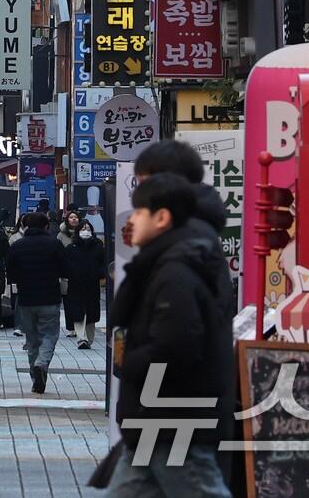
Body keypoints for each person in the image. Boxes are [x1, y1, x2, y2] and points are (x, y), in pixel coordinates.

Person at [106, 173, 231, 497]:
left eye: (138, 213)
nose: (131, 220)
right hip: (156, 420)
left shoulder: (175, 272)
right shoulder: (159, 263)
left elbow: (176, 345)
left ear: (161, 218)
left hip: (173, 420)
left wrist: (131, 363)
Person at [132, 138, 237, 477]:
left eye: (145, 183)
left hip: (178, 407)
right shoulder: (185, 235)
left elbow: (179, 335)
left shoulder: (186, 244)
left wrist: (133, 359)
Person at [4, 211, 69, 394]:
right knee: (49, 335)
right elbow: (65, 269)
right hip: (49, 298)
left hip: (26, 299)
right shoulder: (54, 245)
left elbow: (11, 273)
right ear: (46, 226)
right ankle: (42, 364)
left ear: (26, 226)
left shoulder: (18, 246)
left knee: (32, 341)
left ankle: (36, 377)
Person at [64, 221, 104, 349]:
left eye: (87, 228)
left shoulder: (98, 246)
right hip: (76, 284)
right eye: (83, 229)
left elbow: (103, 263)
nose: (85, 231)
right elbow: (66, 265)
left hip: (92, 283)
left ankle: (89, 338)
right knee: (78, 311)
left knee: (91, 312)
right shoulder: (72, 247)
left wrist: (99, 274)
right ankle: (82, 339)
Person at [57, 209, 83, 336]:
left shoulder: (84, 233)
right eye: (71, 217)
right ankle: (71, 327)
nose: (74, 219)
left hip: (81, 272)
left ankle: (81, 326)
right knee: (68, 301)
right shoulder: (61, 235)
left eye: (76, 217)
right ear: (67, 220)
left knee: (80, 300)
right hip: (66, 273)